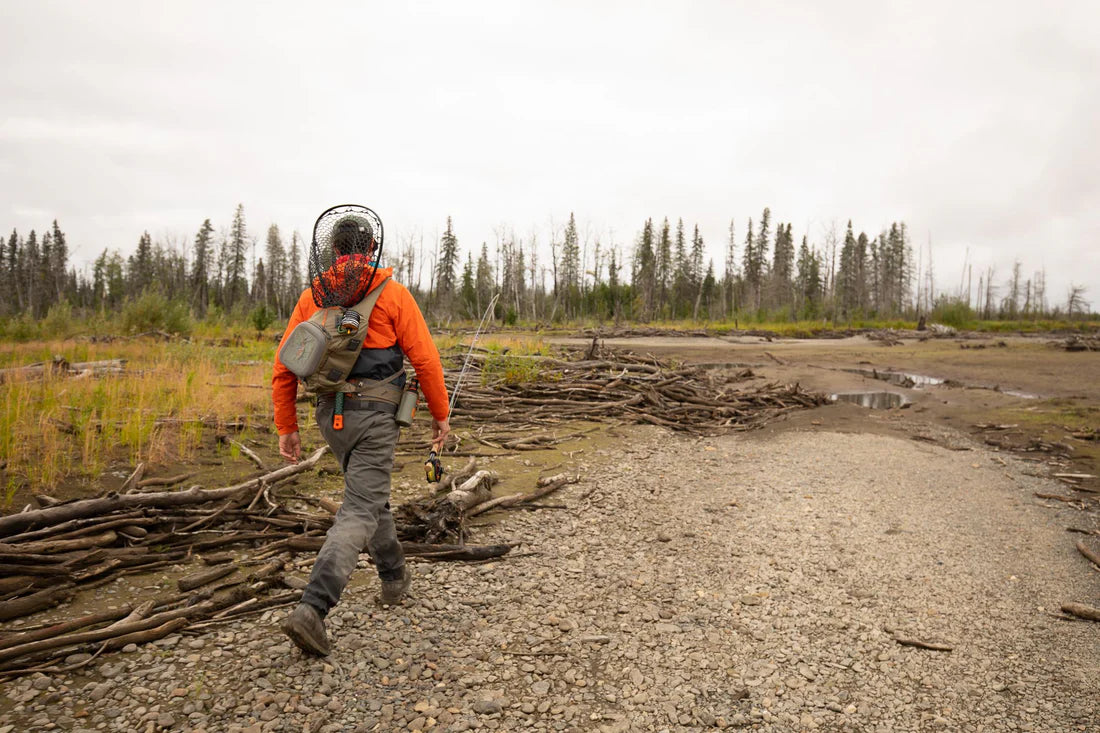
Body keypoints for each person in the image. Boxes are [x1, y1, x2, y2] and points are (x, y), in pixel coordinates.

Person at [272, 207, 450, 656]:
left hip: (329, 417)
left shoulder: (312, 297)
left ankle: (393, 577)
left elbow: (284, 366)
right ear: (371, 249)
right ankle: (313, 607)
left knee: (368, 498)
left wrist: (286, 427)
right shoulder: (392, 294)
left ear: (332, 251)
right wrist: (440, 414)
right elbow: (426, 361)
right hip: (376, 417)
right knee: (358, 508)